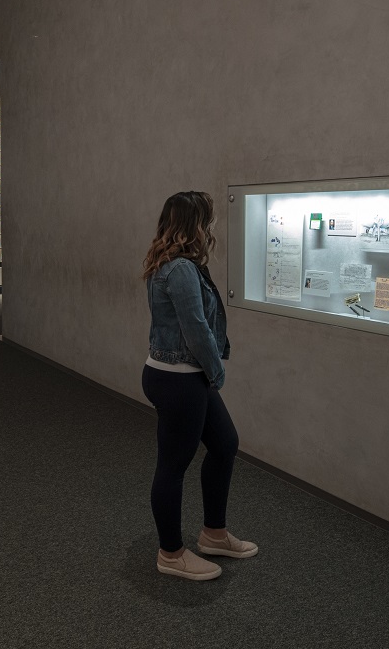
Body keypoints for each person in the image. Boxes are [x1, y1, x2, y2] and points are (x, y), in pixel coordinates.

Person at [141, 191, 256, 581]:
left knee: (225, 445)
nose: (213, 227)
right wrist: (217, 373)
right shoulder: (180, 270)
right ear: (194, 224)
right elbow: (196, 330)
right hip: (180, 379)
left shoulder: (172, 264)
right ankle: (171, 554)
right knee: (173, 466)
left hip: (183, 377)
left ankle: (214, 533)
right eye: (208, 220)